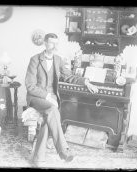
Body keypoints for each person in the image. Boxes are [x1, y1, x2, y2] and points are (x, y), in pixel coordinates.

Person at [25, 33, 98, 166]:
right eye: (52, 43)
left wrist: (86, 81)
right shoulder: (35, 59)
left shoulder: (58, 59)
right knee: (52, 109)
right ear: (45, 43)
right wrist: (47, 96)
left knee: (49, 118)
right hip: (36, 97)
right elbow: (30, 85)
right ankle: (64, 151)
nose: (54, 46)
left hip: (52, 97)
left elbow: (69, 76)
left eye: (56, 43)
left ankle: (38, 159)